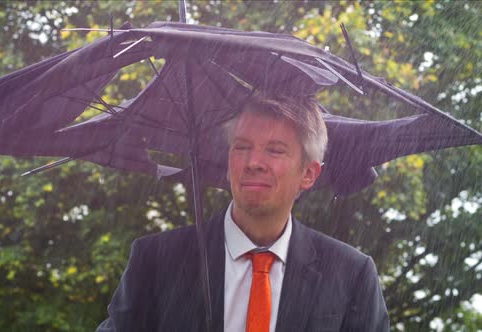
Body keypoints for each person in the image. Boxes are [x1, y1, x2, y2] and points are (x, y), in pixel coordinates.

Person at [97, 93, 389, 332]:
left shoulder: (350, 274)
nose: (253, 162)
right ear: (227, 162)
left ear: (309, 173)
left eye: (274, 150)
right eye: (242, 147)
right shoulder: (157, 260)